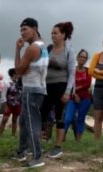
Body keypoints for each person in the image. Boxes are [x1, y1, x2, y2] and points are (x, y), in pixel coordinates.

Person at [12, 18, 50, 169]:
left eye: (25, 29)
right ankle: (22, 151)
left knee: (32, 122)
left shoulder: (32, 48)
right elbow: (21, 69)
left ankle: (37, 156)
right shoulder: (42, 45)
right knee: (24, 121)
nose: (22, 33)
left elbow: (18, 70)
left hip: (31, 90)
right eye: (21, 30)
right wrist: (22, 67)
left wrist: (17, 50)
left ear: (34, 28)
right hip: (39, 89)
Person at [41, 22, 76, 159]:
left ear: (63, 35)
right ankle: (39, 143)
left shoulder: (69, 51)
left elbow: (72, 73)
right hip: (46, 86)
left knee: (59, 116)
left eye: (55, 33)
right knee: (42, 113)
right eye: (52, 33)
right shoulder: (48, 49)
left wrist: (68, 91)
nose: (52, 35)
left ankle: (58, 147)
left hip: (61, 86)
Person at [63, 49, 91, 142]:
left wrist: (77, 89)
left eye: (84, 57)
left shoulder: (88, 71)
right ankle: (62, 138)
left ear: (86, 59)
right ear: (77, 57)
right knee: (67, 118)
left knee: (81, 118)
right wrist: (74, 93)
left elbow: (88, 84)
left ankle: (78, 141)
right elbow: (68, 84)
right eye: (81, 56)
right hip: (72, 98)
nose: (82, 58)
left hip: (85, 99)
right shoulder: (72, 70)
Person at [0, 68, 22, 137]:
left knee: (14, 119)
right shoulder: (6, 83)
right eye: (17, 74)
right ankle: (0, 135)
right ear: (14, 74)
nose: (18, 75)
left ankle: (13, 135)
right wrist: (5, 105)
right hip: (8, 104)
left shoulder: (18, 83)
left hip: (17, 103)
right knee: (5, 119)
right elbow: (3, 94)